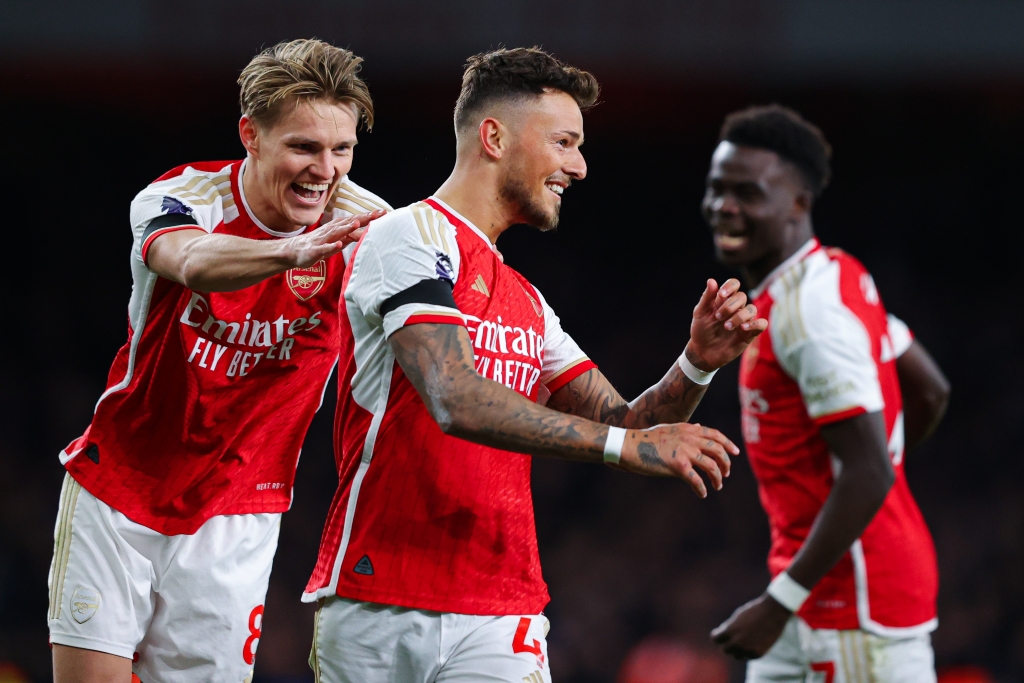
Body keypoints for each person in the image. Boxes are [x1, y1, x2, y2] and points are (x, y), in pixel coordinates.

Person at [303, 47, 767, 683]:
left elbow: (627, 426)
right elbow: (455, 398)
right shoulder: (405, 238)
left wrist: (696, 364)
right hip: (378, 598)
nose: (578, 166)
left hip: (502, 611)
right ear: (494, 138)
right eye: (564, 142)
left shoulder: (526, 300)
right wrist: (627, 447)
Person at [47, 39, 388, 683]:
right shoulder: (184, 194)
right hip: (120, 490)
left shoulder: (371, 231)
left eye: (341, 150)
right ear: (250, 135)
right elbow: (191, 260)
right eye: (304, 147)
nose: (325, 170)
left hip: (239, 513)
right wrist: (293, 252)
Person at [706, 105, 951, 681]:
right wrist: (876, 469)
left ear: (798, 203)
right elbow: (930, 391)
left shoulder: (809, 313)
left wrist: (778, 603)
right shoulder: (836, 275)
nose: (724, 206)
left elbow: (869, 468)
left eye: (747, 193)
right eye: (717, 189)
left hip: (853, 610)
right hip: (813, 591)